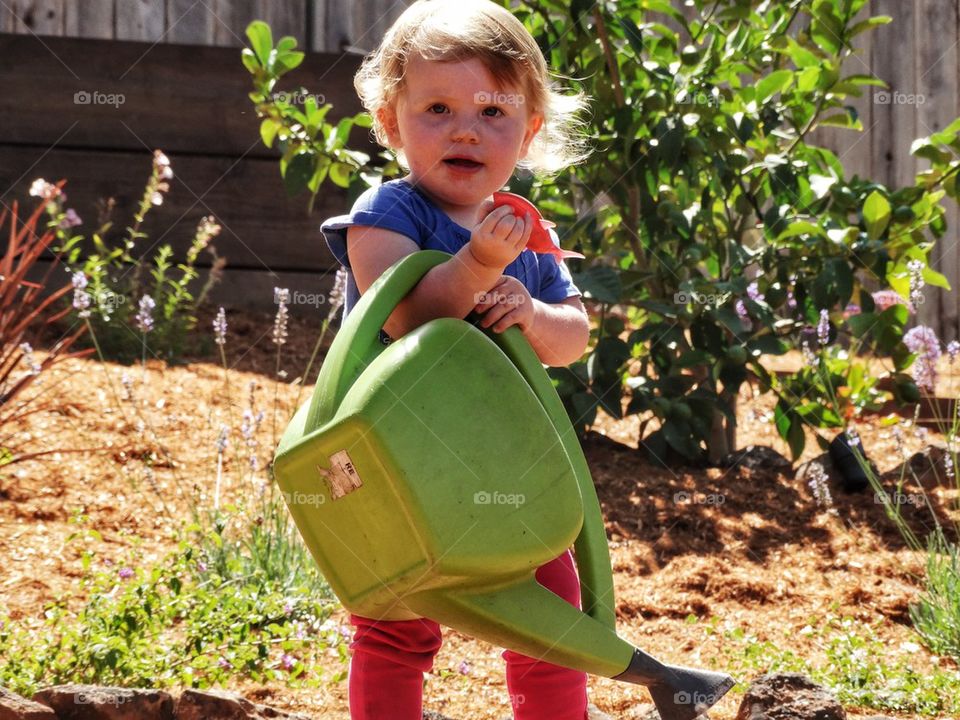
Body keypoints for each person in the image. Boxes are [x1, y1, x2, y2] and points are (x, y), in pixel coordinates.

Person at [320, 2, 603, 718]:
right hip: (399, 456)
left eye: (493, 112)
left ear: (529, 131)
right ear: (392, 123)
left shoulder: (525, 231)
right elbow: (411, 313)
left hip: (511, 461)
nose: (466, 128)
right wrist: (478, 265)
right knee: (396, 618)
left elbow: (575, 337)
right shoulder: (387, 214)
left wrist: (533, 315)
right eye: (438, 108)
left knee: (550, 620)